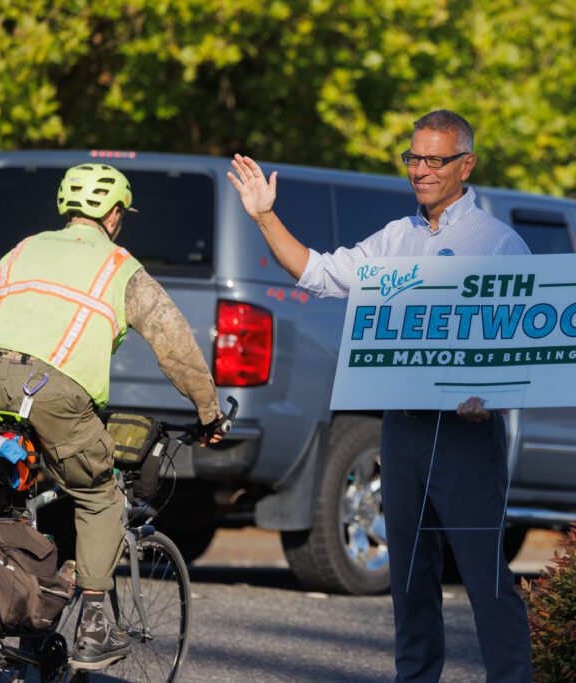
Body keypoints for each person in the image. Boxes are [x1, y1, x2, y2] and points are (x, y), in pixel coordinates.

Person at [228, 110, 533, 682]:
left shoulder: (498, 244)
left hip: (466, 434)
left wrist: (489, 395)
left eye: (434, 160)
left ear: (465, 165)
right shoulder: (397, 237)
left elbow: (519, 342)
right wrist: (265, 218)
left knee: (484, 578)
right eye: (413, 158)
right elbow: (318, 273)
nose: (420, 170)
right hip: (403, 428)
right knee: (411, 581)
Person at [0, 162, 224, 672]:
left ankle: (17, 617)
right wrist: (209, 412)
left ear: (67, 207)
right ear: (116, 214)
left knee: (20, 491)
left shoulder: (23, 248)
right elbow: (174, 345)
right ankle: (96, 628)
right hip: (52, 390)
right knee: (99, 495)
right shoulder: (119, 267)